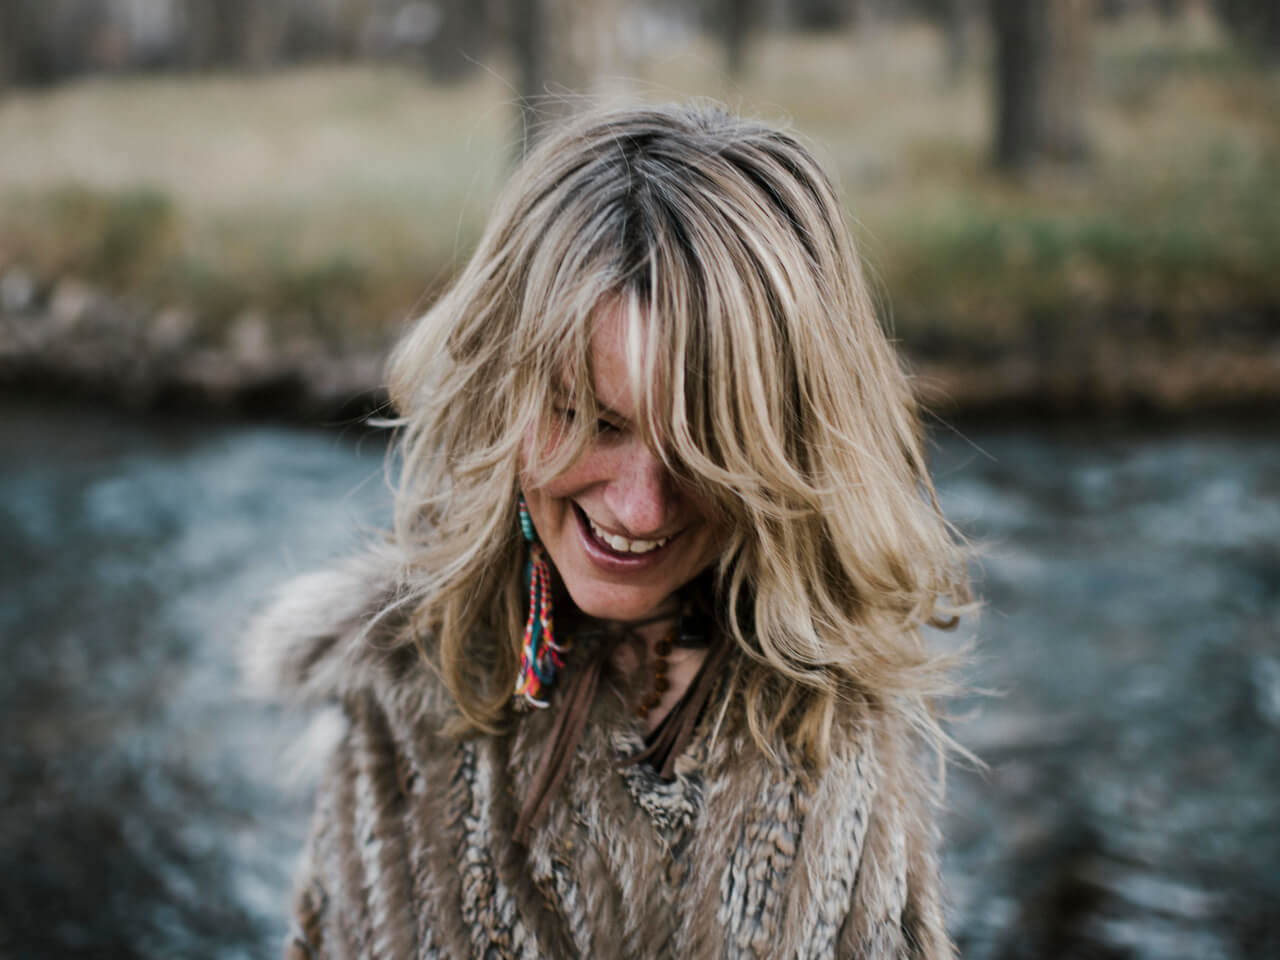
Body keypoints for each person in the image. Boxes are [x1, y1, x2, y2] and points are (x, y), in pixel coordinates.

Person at [248, 101, 971, 959]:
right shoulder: (398, 690)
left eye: (707, 449)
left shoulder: (832, 724)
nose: (640, 509)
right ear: (498, 393)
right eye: (589, 419)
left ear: (789, 447)